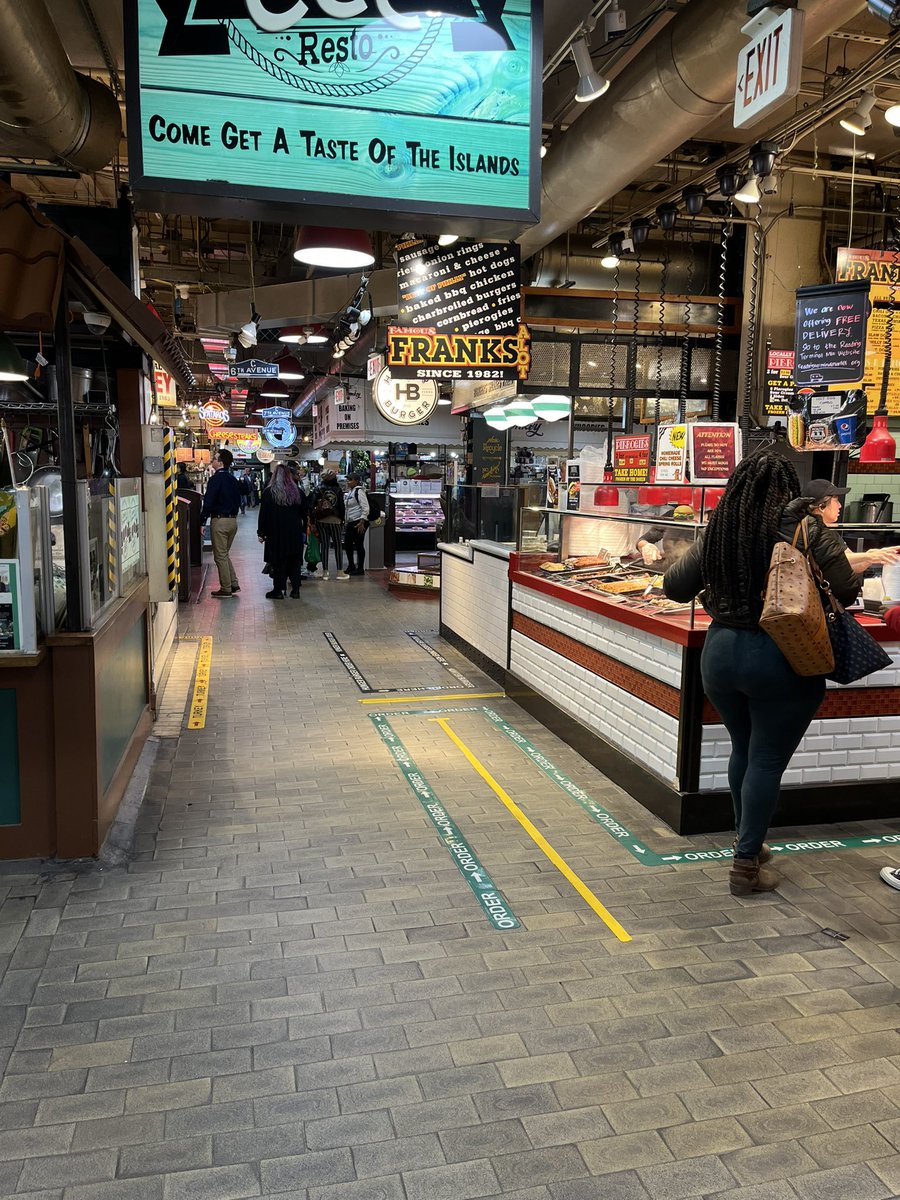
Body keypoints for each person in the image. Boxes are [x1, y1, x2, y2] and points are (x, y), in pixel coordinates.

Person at [664, 453, 861, 896]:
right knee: (767, 760)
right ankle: (746, 864)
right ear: (788, 489)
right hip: (781, 654)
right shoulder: (805, 528)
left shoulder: (720, 528)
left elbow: (675, 587)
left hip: (720, 654)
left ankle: (745, 840)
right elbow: (847, 588)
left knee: (744, 749)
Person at [804, 479, 900, 574]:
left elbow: (851, 564)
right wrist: (870, 556)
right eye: (836, 501)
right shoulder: (811, 530)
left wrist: (871, 557)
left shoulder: (830, 530)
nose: (840, 505)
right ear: (822, 507)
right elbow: (835, 560)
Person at [257, 464, 308, 599]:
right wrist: (303, 530)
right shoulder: (297, 491)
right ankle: (295, 590)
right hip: (294, 532)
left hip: (276, 533)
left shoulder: (269, 492)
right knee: (295, 560)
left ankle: (278, 590)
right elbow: (305, 513)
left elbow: (263, 514)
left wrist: (261, 532)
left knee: (278, 561)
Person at [200, 448, 243, 598]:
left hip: (220, 521)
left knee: (220, 556)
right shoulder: (233, 479)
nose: (213, 460)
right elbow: (239, 500)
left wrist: (202, 521)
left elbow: (209, 501)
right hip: (233, 521)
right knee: (224, 554)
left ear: (221, 462)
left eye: (215, 458)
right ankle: (233, 583)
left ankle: (226, 588)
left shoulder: (215, 479)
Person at [310, 469, 347, 580]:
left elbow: (312, 506)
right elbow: (341, 506)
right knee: (337, 546)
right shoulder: (338, 490)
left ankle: (325, 572)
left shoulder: (318, 489)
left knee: (325, 546)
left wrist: (313, 520)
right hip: (335, 520)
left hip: (321, 520)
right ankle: (340, 572)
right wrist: (342, 519)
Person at [343, 472, 370, 576]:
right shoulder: (351, 492)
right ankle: (351, 565)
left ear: (356, 481)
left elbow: (365, 507)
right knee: (348, 544)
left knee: (359, 544)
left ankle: (360, 568)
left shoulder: (359, 491)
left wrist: (362, 521)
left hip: (358, 522)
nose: (348, 482)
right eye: (347, 480)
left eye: (350, 480)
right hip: (351, 522)